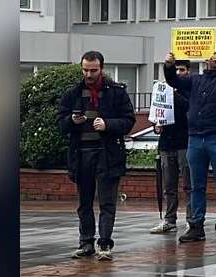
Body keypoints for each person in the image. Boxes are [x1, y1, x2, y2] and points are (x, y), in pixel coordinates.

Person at [57, 51, 136, 260]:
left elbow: (128, 121)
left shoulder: (116, 92)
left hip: (107, 154)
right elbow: (61, 122)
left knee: (107, 202)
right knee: (84, 202)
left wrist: (108, 124)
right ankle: (86, 243)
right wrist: (72, 121)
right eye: (85, 70)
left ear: (102, 68)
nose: (89, 74)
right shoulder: (73, 92)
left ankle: (104, 244)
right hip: (81, 153)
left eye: (93, 70)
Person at [165, 49, 216, 244]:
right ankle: (196, 225)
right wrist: (169, 66)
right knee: (196, 186)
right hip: (196, 137)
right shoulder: (196, 80)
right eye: (214, 57)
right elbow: (174, 81)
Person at [150, 59, 191, 234]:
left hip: (185, 143)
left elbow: (189, 108)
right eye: (176, 70)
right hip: (167, 143)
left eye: (181, 70)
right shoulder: (163, 90)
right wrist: (156, 125)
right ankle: (169, 219)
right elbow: (157, 113)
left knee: (189, 184)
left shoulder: (189, 89)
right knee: (169, 185)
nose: (178, 73)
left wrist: (175, 95)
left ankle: (192, 219)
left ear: (188, 71)